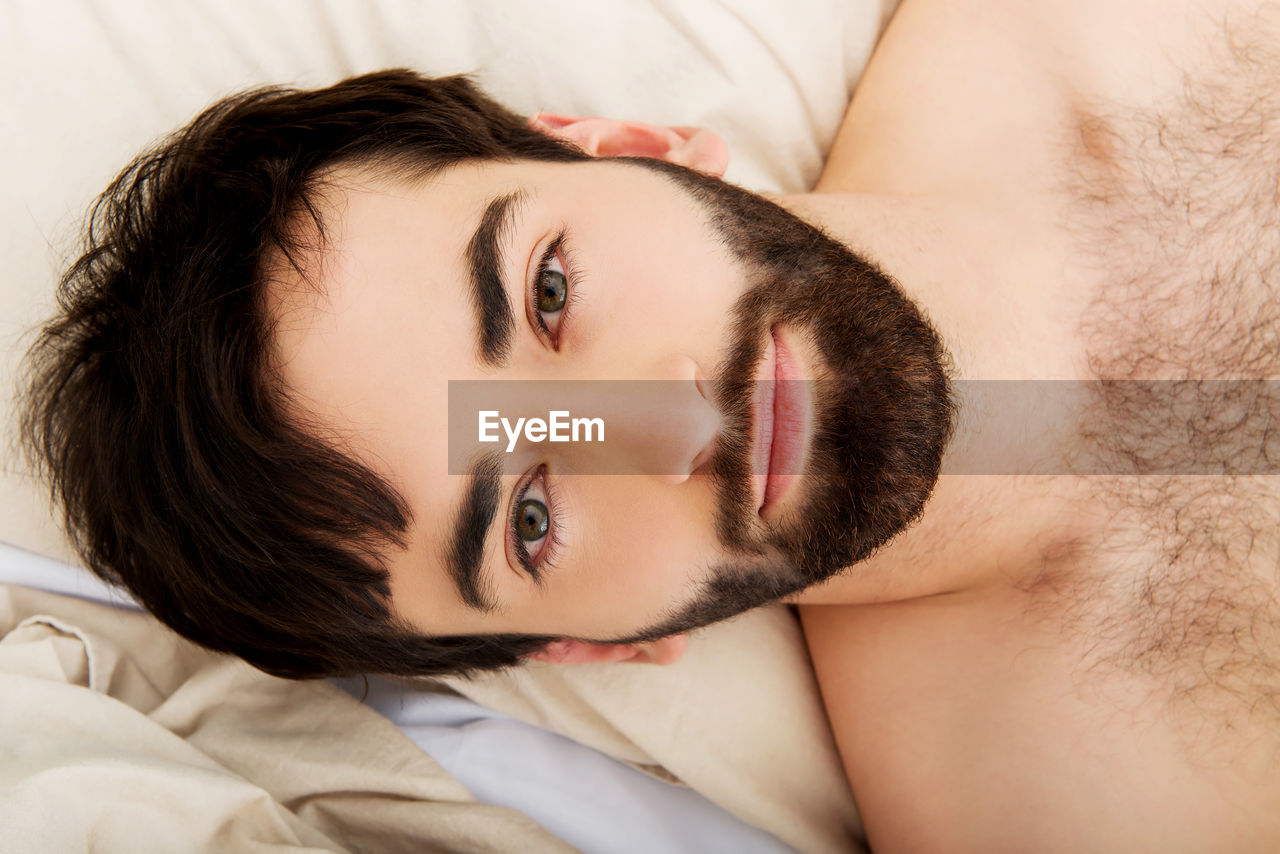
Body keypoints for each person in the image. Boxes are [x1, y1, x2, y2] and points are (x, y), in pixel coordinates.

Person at [19, 0, 1279, 849]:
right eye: (525, 514)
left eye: (546, 292)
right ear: (584, 645)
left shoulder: (1101, 25)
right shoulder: (1071, 817)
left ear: (621, 147)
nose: (665, 424)